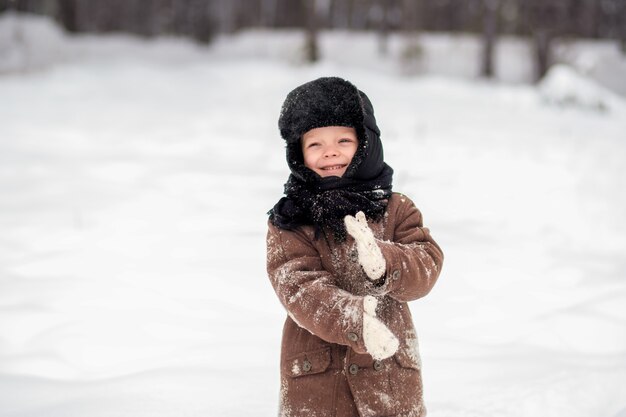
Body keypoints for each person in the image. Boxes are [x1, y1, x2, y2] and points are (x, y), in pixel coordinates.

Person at [266, 77, 444, 417]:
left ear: (365, 144)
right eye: (315, 144)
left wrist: (384, 263)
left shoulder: (397, 208)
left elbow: (427, 265)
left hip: (389, 382)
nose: (330, 151)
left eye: (343, 140)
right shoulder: (289, 221)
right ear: (298, 153)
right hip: (317, 387)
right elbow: (299, 288)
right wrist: (356, 320)